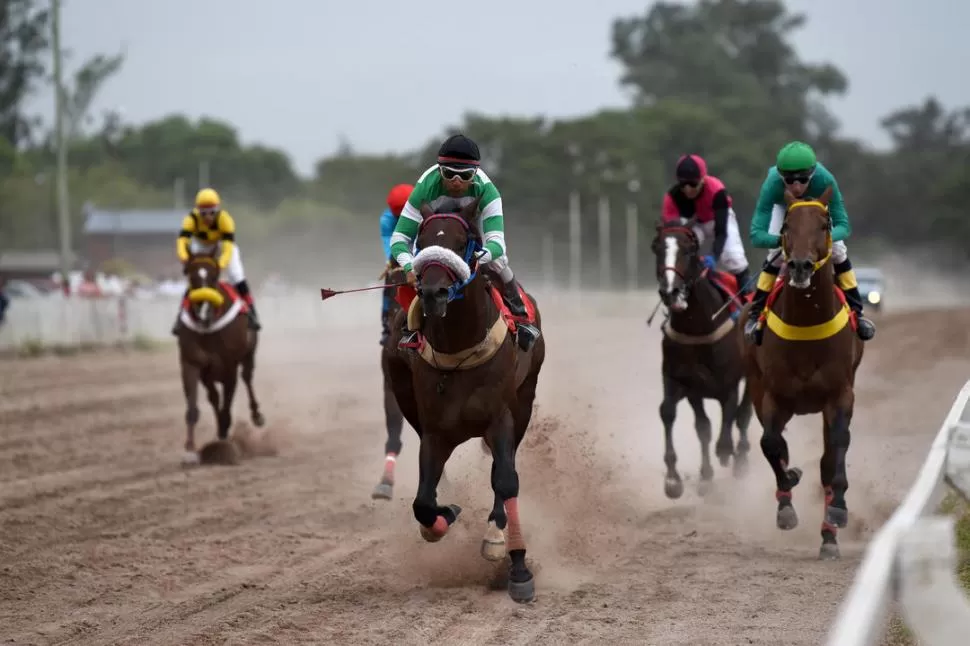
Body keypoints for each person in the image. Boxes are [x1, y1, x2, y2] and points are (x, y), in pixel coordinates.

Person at [389, 133, 541, 351]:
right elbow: (399, 239)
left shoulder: (488, 192)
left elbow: (497, 244)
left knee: (498, 262)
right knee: (423, 271)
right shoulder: (423, 188)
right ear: (439, 169)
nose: (456, 182)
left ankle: (520, 316)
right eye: (449, 174)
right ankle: (411, 327)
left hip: (471, 227)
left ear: (476, 173)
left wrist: (478, 257)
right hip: (434, 231)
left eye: (465, 175)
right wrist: (409, 267)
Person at [743, 141, 876, 345]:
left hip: (817, 207)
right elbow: (756, 234)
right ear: (780, 177)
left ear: (813, 175)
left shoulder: (825, 180)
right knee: (775, 254)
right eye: (789, 180)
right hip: (785, 208)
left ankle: (857, 314)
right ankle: (756, 315)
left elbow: (843, 225)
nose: (796, 187)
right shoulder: (771, 183)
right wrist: (785, 240)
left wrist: (824, 239)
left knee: (839, 251)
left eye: (803, 180)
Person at [171, 188, 260, 335]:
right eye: (203, 213)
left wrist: (220, 265)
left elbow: (227, 248)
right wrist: (184, 257)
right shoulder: (191, 219)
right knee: (195, 280)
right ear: (198, 211)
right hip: (202, 245)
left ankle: (252, 312)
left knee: (237, 277)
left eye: (211, 212)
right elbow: (182, 241)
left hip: (222, 245)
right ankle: (179, 318)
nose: (207, 217)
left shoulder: (225, 220)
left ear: (217, 210)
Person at [662, 154, 752, 296]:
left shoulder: (717, 191)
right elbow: (672, 235)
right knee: (681, 249)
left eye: (693, 184)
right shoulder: (672, 198)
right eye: (683, 184)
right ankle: (678, 292)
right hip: (694, 225)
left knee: (732, 258)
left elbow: (721, 232)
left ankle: (749, 298)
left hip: (717, 221)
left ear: (703, 179)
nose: (688, 189)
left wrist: (714, 256)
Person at [379, 183, 413, 346]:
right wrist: (392, 258)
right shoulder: (386, 219)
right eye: (397, 215)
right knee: (388, 284)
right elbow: (388, 240)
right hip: (398, 253)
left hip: (417, 253)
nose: (400, 217)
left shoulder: (423, 214)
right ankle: (386, 326)